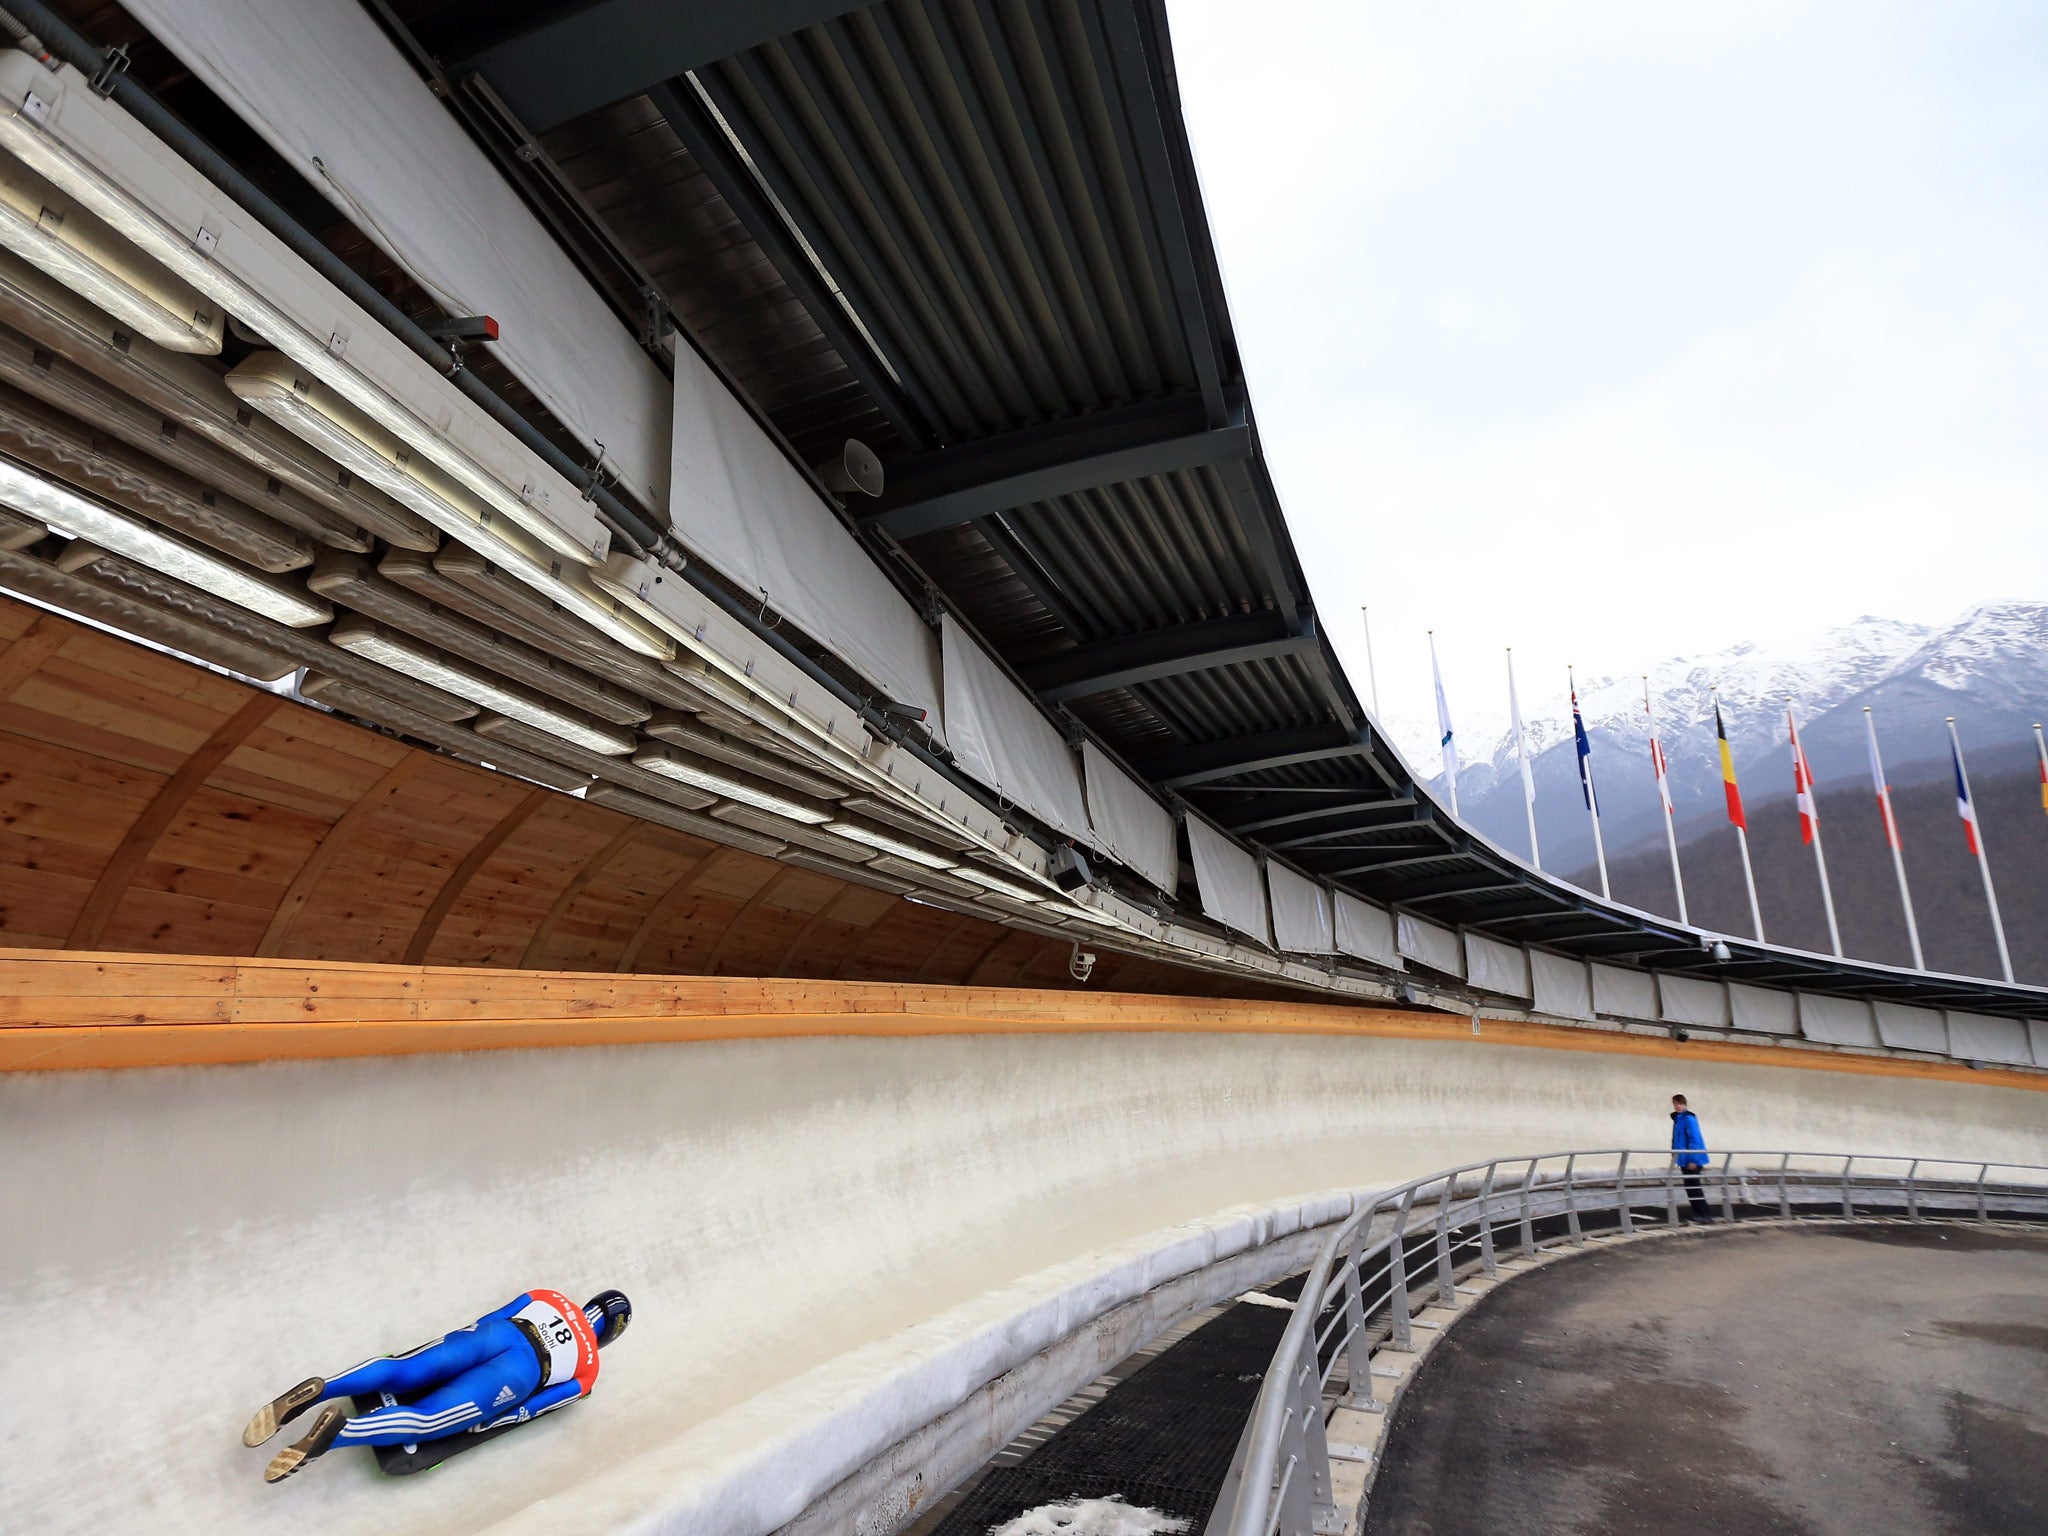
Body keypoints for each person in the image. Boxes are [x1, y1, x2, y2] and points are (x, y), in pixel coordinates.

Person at [242, 1287, 631, 1483]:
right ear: (608, 1336)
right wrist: (490, 1422)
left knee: (406, 1369)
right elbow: (533, 1408)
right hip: (517, 1375)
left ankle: (324, 1387)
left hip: (496, 1334)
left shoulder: (549, 1295)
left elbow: (496, 1313)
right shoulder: (589, 1371)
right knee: (427, 1420)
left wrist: (469, 1337)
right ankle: (340, 1434)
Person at [1671, 1094, 1713, 1222]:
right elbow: (1677, 1139)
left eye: (1680, 1104)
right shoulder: (1678, 1119)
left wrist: (1693, 1159)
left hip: (1691, 1159)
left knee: (1694, 1187)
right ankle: (1698, 1214)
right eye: (1675, 1104)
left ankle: (1704, 1214)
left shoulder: (1688, 1119)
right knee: (1690, 1187)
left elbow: (1694, 1139)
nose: (1677, 1106)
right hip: (1684, 1159)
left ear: (1685, 1104)